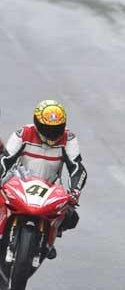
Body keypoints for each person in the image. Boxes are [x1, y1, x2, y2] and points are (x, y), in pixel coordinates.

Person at [0, 100, 87, 259]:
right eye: (47, 128)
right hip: (19, 181)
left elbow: (77, 168)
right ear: (37, 123)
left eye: (56, 129)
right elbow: (6, 160)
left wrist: (75, 192)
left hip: (50, 187)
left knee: (71, 217)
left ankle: (49, 239)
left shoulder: (69, 138)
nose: (51, 133)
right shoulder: (23, 133)